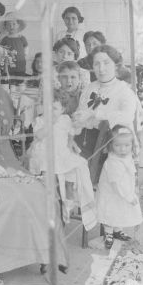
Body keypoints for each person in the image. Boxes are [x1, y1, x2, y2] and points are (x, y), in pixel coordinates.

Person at [0, 44, 69, 285]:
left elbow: (13, 127)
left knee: (42, 194)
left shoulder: (1, 92)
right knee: (9, 200)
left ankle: (46, 257)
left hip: (9, 157)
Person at [27, 99, 96, 230]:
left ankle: (68, 206)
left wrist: (72, 142)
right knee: (49, 182)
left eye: (54, 108)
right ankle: (50, 209)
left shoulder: (65, 119)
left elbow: (72, 133)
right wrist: (51, 123)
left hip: (61, 154)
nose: (50, 111)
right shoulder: (40, 120)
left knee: (75, 170)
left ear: (62, 110)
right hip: (45, 155)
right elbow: (39, 135)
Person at [73, 45, 137, 162]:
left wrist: (94, 114)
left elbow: (127, 117)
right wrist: (77, 118)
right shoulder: (89, 88)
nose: (101, 69)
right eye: (96, 64)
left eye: (106, 63)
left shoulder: (124, 91)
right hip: (84, 139)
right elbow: (80, 113)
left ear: (116, 65)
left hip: (110, 146)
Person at [96, 125, 143, 249]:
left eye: (127, 145)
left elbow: (131, 173)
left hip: (123, 192)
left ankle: (117, 231)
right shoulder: (113, 162)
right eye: (117, 145)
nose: (123, 149)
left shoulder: (127, 156)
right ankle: (108, 234)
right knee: (110, 212)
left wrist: (133, 189)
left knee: (119, 211)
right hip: (112, 192)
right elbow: (115, 184)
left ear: (132, 145)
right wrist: (128, 197)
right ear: (111, 145)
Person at [0, 12, 28, 84]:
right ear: (5, 26)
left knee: (20, 82)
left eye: (14, 24)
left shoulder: (22, 38)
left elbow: (26, 47)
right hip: (8, 66)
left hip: (21, 65)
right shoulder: (5, 39)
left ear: (18, 25)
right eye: (9, 24)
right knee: (9, 84)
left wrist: (24, 55)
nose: (11, 26)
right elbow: (2, 52)